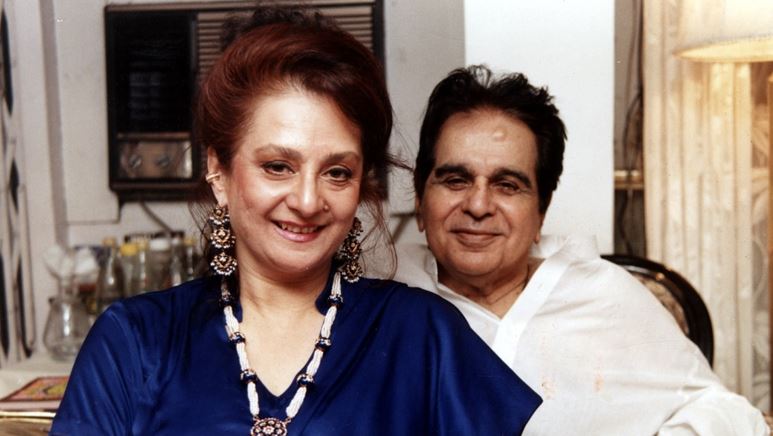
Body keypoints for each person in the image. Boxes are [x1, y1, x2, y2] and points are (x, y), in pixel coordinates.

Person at [51, 9, 542, 436]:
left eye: (337, 172)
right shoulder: (133, 342)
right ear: (219, 170)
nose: (308, 201)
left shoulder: (422, 334)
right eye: (278, 166)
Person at [394, 65, 769, 434]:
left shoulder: (603, 295)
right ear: (420, 198)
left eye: (507, 185)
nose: (478, 206)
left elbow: (722, 410)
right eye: (455, 180)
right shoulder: (386, 293)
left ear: (541, 211)